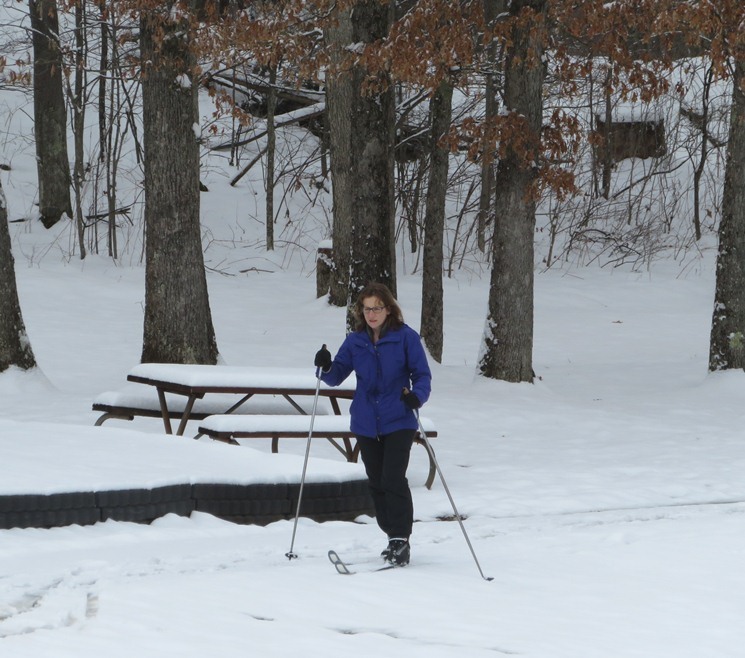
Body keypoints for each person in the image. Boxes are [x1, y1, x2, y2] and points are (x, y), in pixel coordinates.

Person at [314, 282, 432, 567]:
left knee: (393, 479)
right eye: (366, 309)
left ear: (388, 309)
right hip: (366, 421)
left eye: (377, 308)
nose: (371, 314)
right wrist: (324, 365)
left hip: (398, 418)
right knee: (377, 483)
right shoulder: (356, 341)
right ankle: (391, 535)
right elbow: (334, 376)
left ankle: (400, 539)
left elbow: (422, 375)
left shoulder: (405, 338)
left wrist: (417, 396)